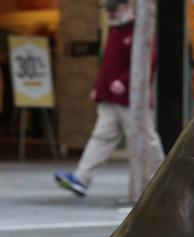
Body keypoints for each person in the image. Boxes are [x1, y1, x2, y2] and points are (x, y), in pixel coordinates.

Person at [54, 0, 164, 201]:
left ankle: (163, 179)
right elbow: (107, 65)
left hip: (132, 99)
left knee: (145, 139)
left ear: (126, 7)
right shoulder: (116, 30)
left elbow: (149, 62)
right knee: (101, 137)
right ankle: (81, 178)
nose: (110, 14)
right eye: (108, 11)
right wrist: (99, 88)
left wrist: (124, 82)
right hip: (110, 98)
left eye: (113, 10)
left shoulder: (140, 30)